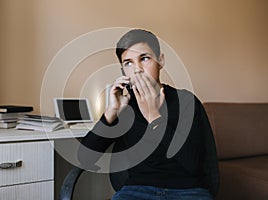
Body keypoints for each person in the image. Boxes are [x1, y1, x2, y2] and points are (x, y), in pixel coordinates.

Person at [78, 29, 219, 200]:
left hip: (187, 190)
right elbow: (84, 157)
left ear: (160, 60)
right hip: (136, 191)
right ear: (123, 70)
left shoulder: (186, 101)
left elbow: (194, 164)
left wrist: (154, 117)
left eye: (144, 58)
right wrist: (112, 112)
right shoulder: (125, 105)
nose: (137, 69)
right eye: (128, 63)